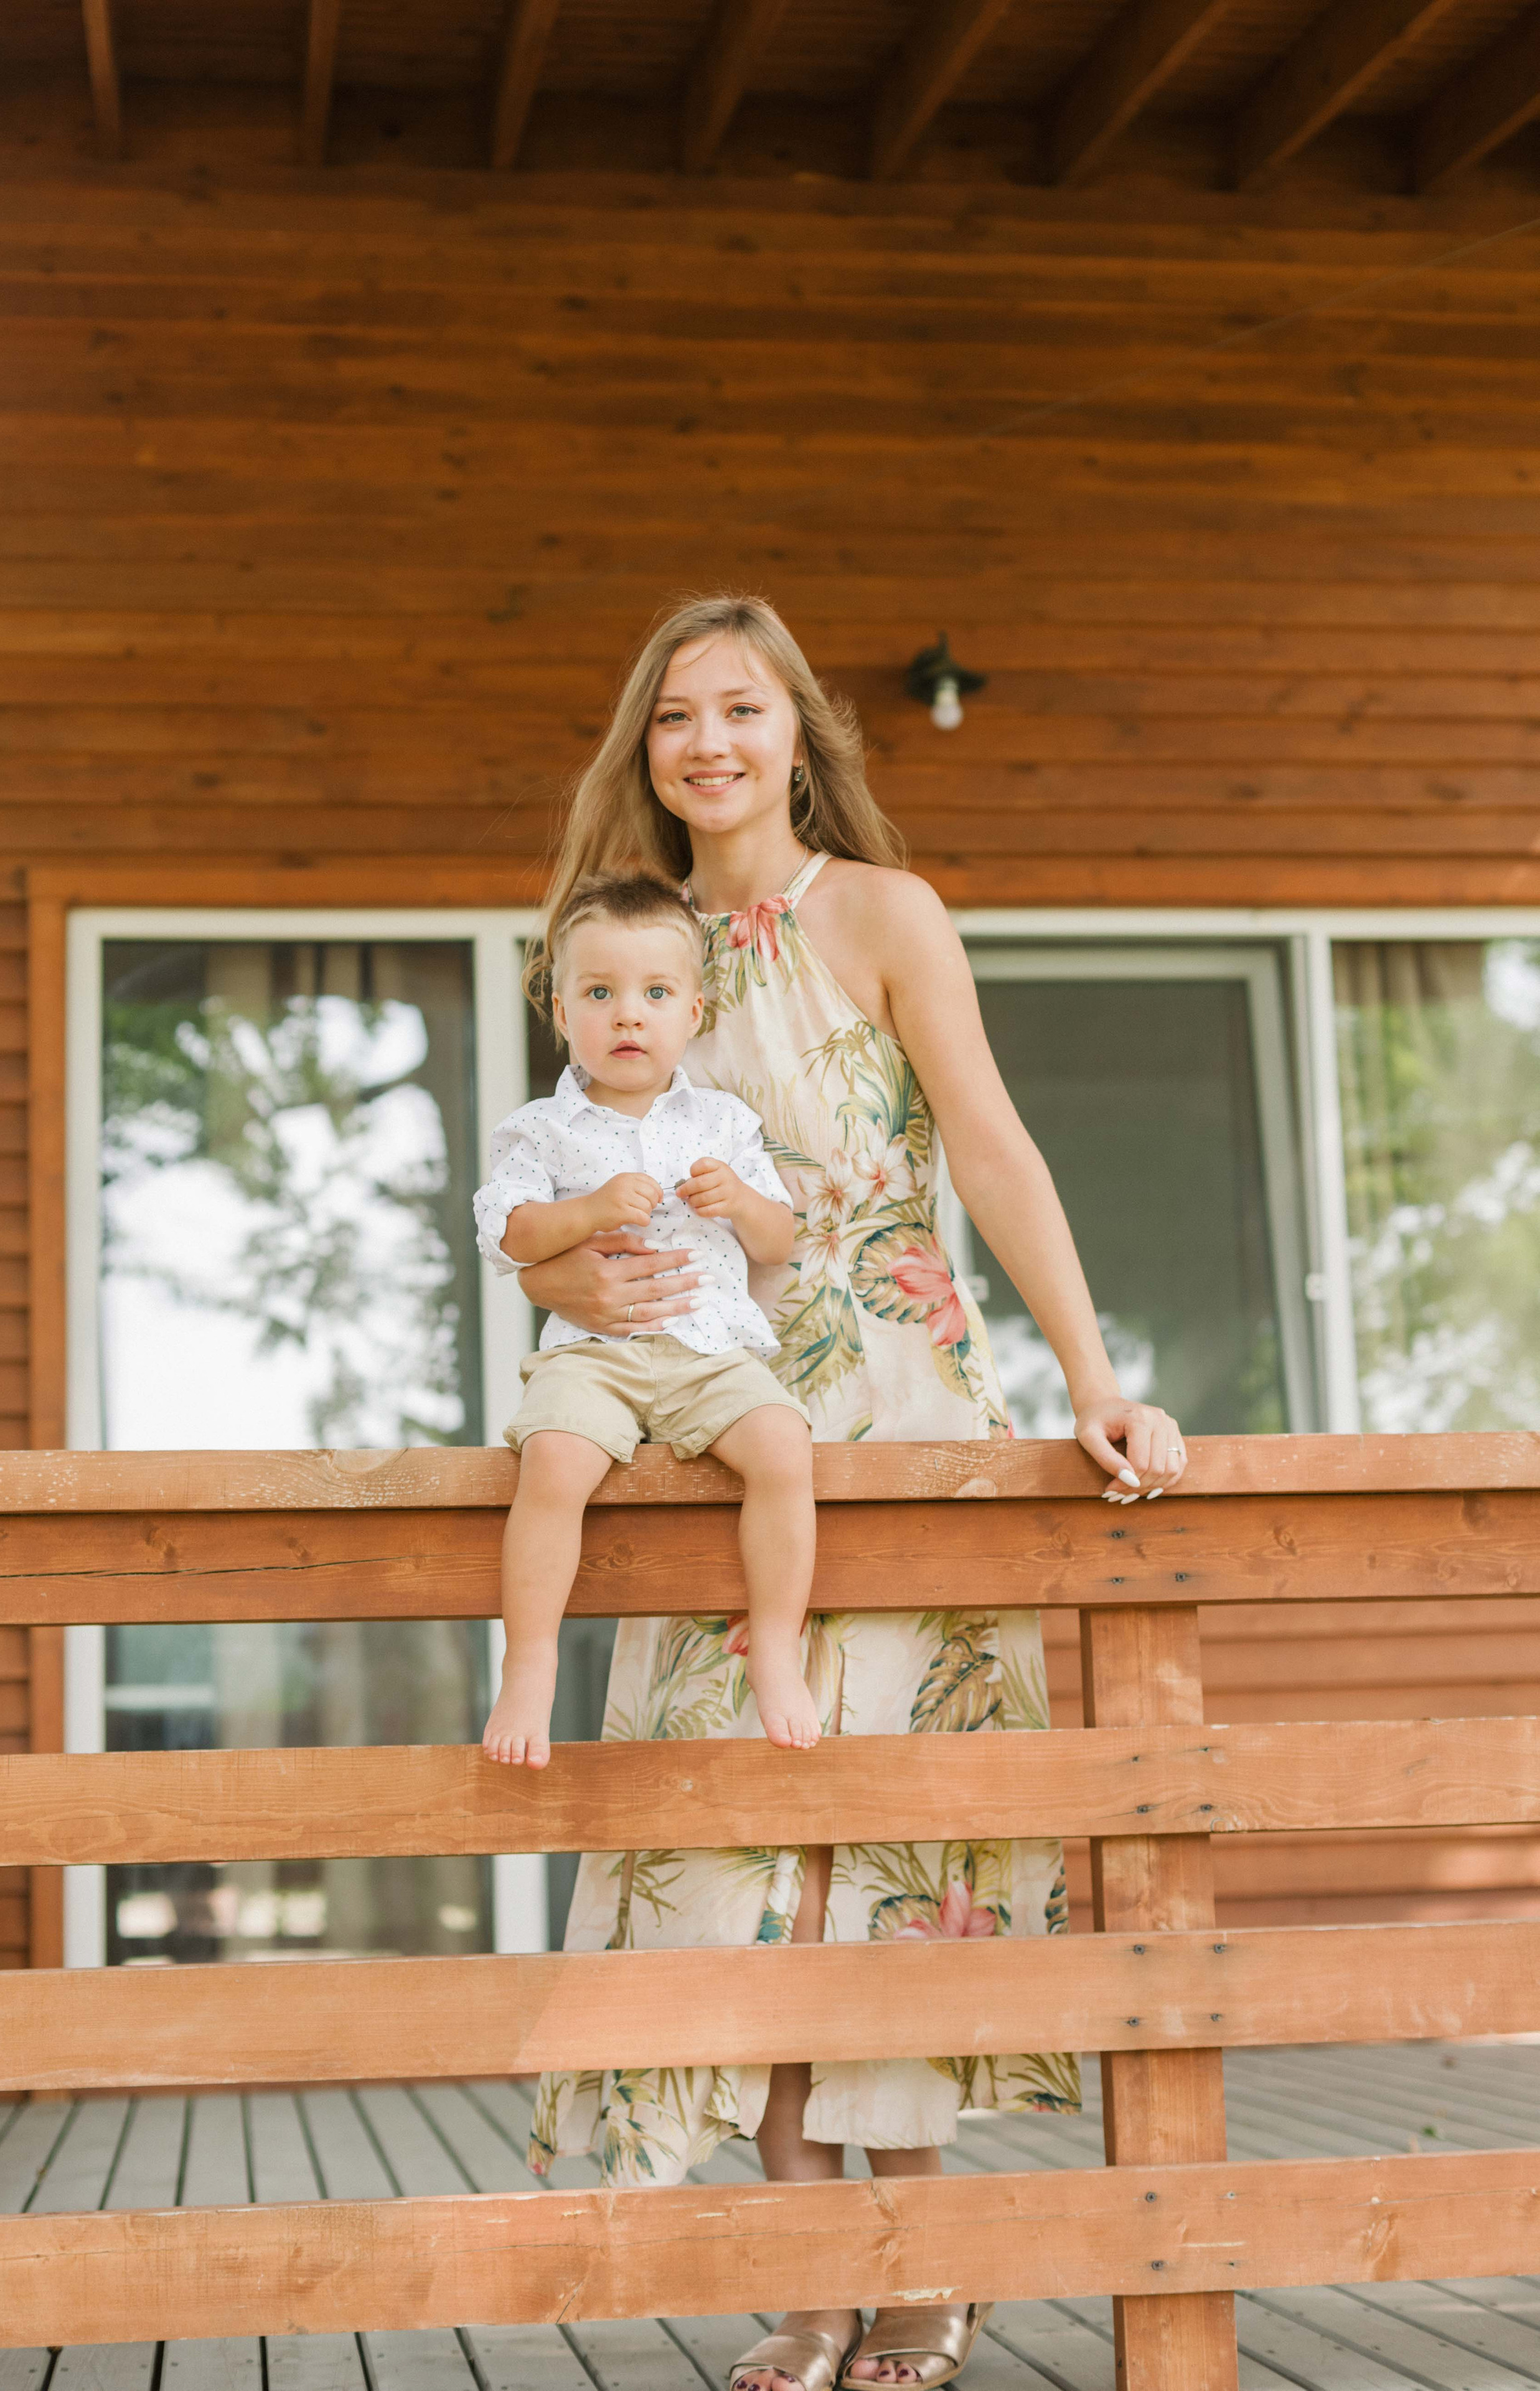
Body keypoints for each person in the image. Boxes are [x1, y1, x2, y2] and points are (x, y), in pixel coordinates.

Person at [517, 594, 1189, 2391]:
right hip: (708, 1428)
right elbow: (563, 1205)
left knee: (887, 1846)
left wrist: (1098, 1381)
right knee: (738, 1847)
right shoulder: (617, 944)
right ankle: (814, 2281)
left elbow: (988, 1141)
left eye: (743, 710)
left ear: (799, 734)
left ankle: (922, 2272)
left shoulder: (883, 916)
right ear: (642, 747)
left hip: (888, 1412)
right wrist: (568, 1285)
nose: (710, 744)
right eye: (676, 716)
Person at [475, 871, 819, 1766]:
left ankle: (776, 1646)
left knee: (784, 1447)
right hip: (594, 1354)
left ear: (694, 1013)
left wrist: (740, 1199)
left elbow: (780, 1240)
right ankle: (531, 1663)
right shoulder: (540, 1131)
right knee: (553, 1460)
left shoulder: (724, 1121)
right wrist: (587, 1211)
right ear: (562, 1011)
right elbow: (508, 1235)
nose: (629, 1017)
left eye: (655, 995)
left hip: (709, 1350)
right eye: (600, 994)